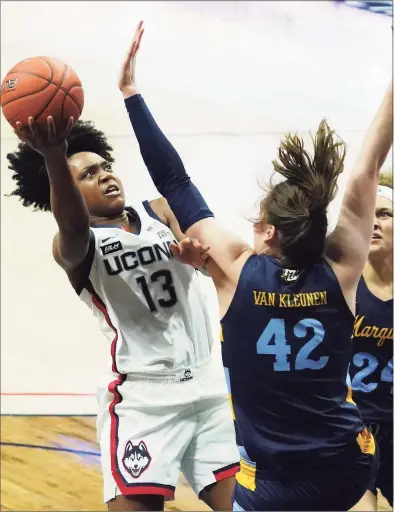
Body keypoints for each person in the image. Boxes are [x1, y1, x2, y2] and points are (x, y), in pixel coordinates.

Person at [121, 21, 393, 511]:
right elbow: (368, 168)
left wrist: (131, 94)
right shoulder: (341, 269)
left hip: (274, 483)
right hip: (346, 468)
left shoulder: (236, 270)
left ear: (269, 233)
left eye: (257, 219)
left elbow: (175, 182)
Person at [6, 51, 239, 512]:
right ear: (69, 192)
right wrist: (54, 154)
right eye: (88, 175)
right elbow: (71, 223)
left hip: (209, 390)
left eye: (104, 165)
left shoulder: (161, 213)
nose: (105, 175)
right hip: (144, 402)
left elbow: (183, 193)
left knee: (250, 505)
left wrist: (197, 258)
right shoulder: (75, 246)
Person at [349, 173, 393, 511]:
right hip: (352, 429)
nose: (374, 223)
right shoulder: (341, 285)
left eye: (385, 214)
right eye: (369, 214)